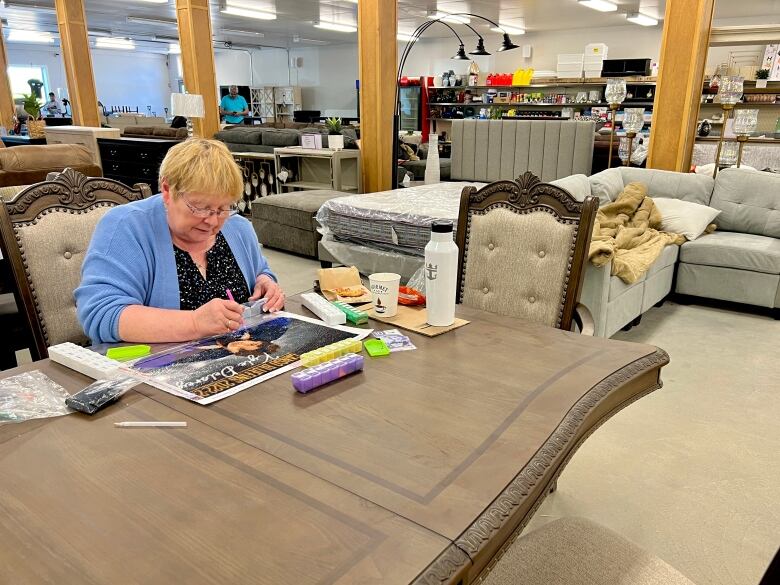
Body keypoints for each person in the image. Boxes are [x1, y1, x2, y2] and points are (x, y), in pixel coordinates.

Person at [75, 138, 285, 344]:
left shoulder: (237, 227)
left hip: (240, 357)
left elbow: (261, 271)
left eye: (223, 208)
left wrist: (265, 283)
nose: (212, 221)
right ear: (167, 191)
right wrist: (194, 323)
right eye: (200, 207)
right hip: (152, 368)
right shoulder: (126, 227)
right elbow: (101, 314)